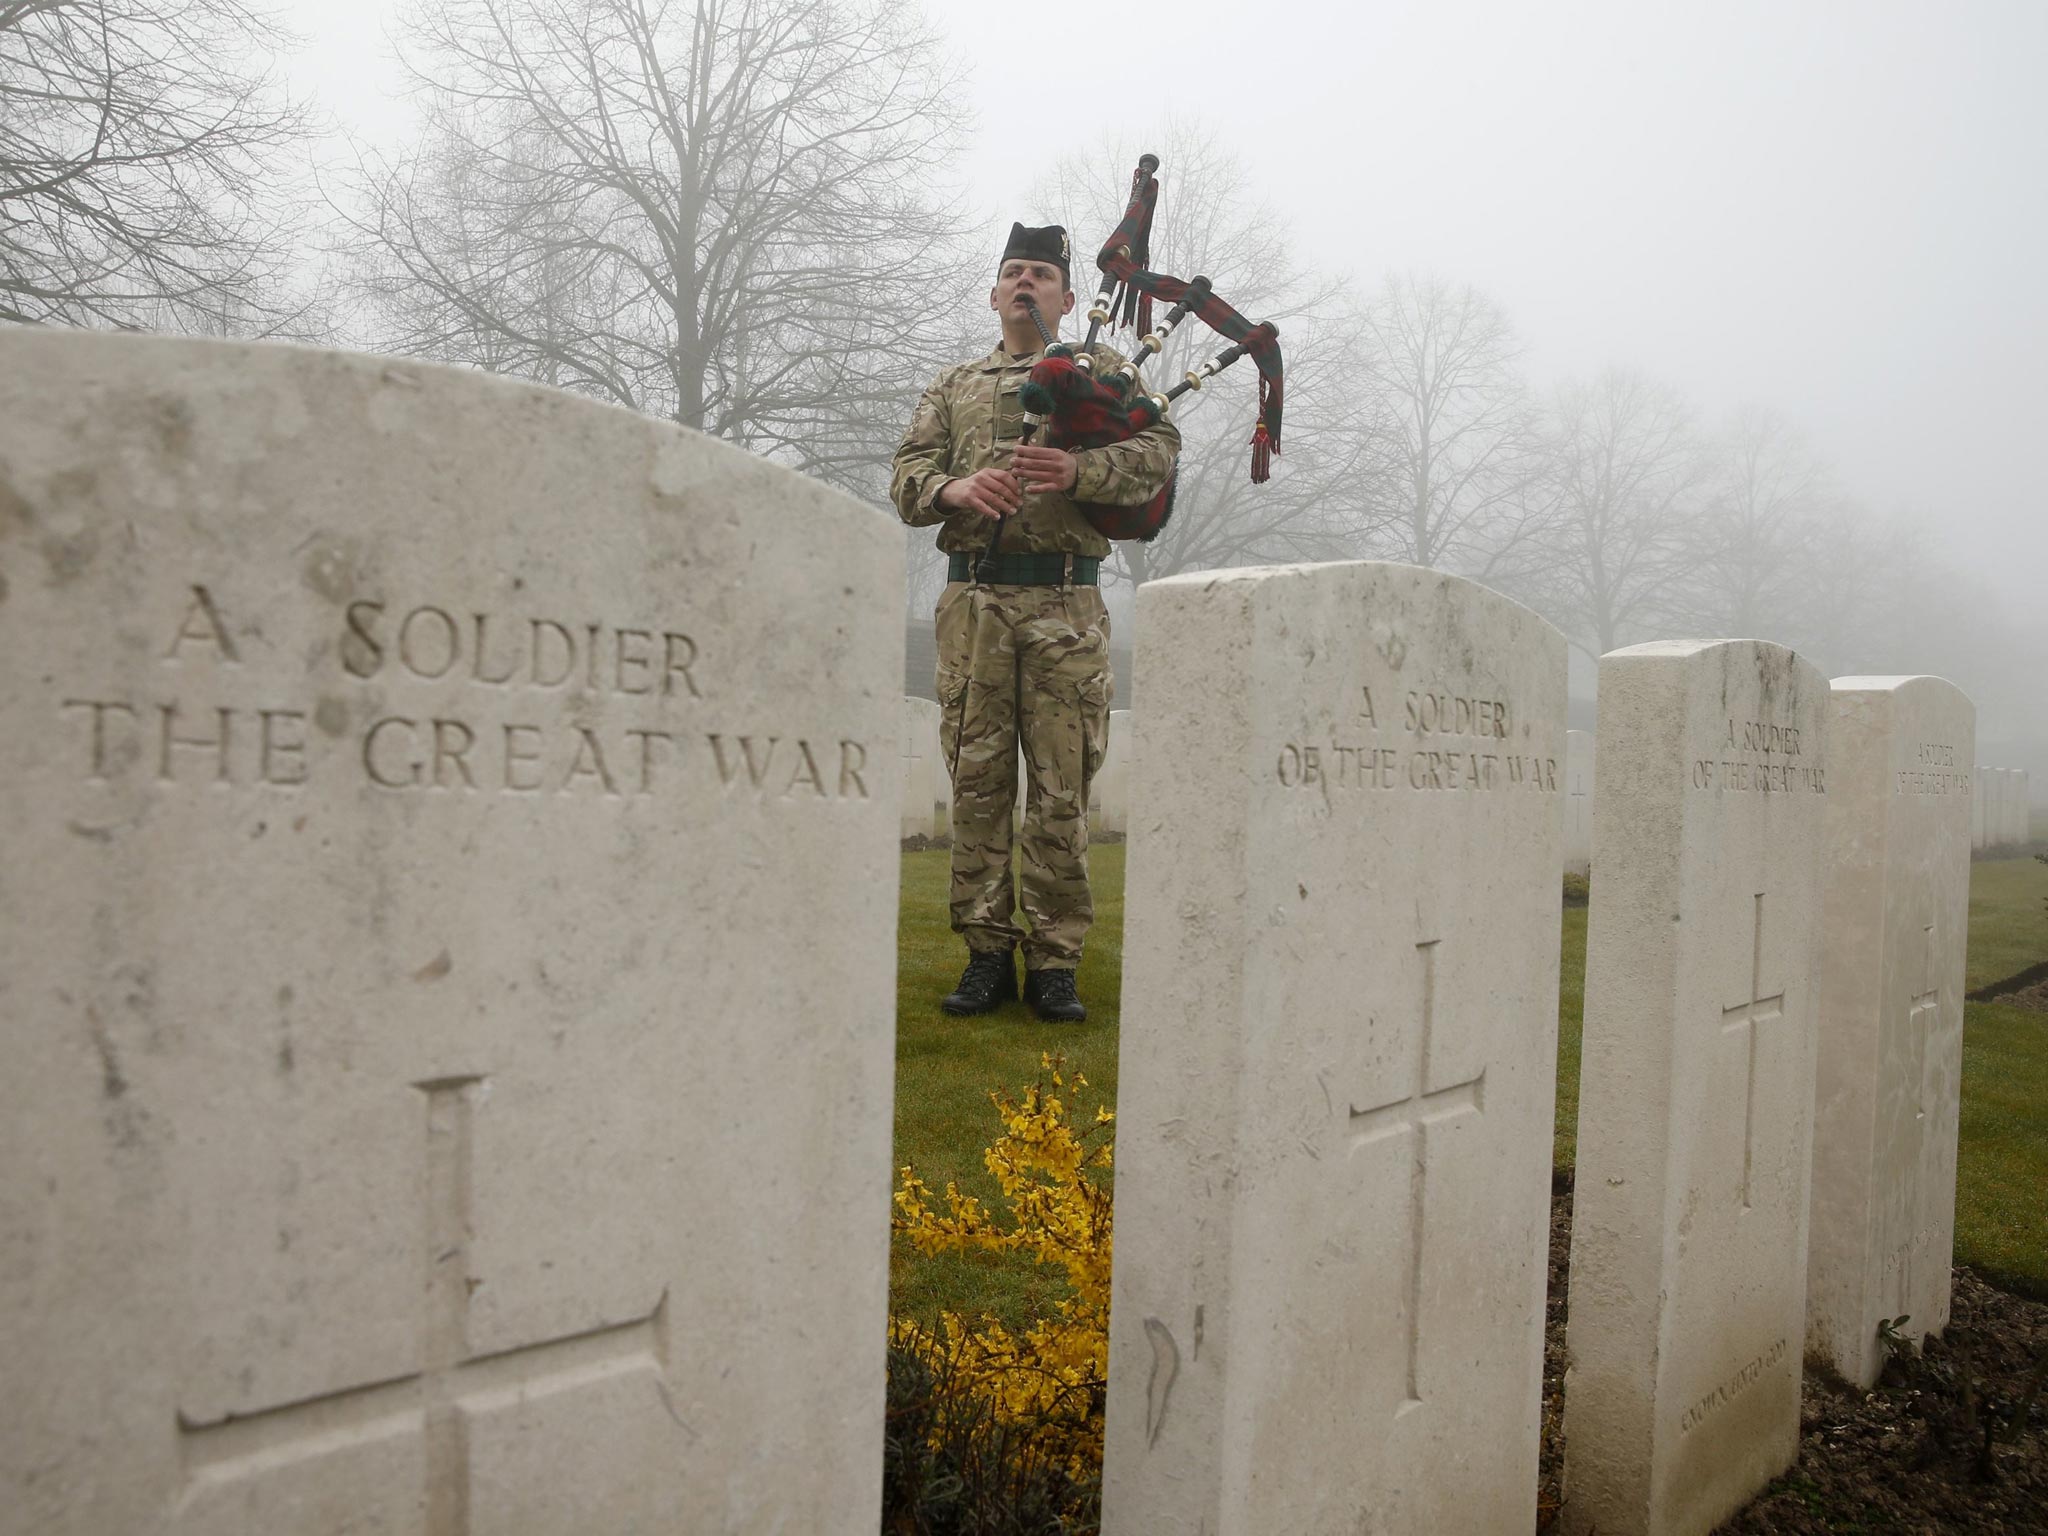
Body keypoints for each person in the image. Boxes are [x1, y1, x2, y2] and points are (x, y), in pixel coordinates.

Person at [889, 223, 1180, 1021]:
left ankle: (1056, 960)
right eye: (1013, 272)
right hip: (974, 604)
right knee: (977, 785)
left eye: (1042, 274)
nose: (1026, 284)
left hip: (1065, 606)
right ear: (993, 294)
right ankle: (986, 953)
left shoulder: (1103, 372)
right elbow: (907, 475)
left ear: (1067, 295)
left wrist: (1081, 467)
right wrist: (952, 491)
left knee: (1060, 789)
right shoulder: (953, 386)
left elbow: (1161, 448)